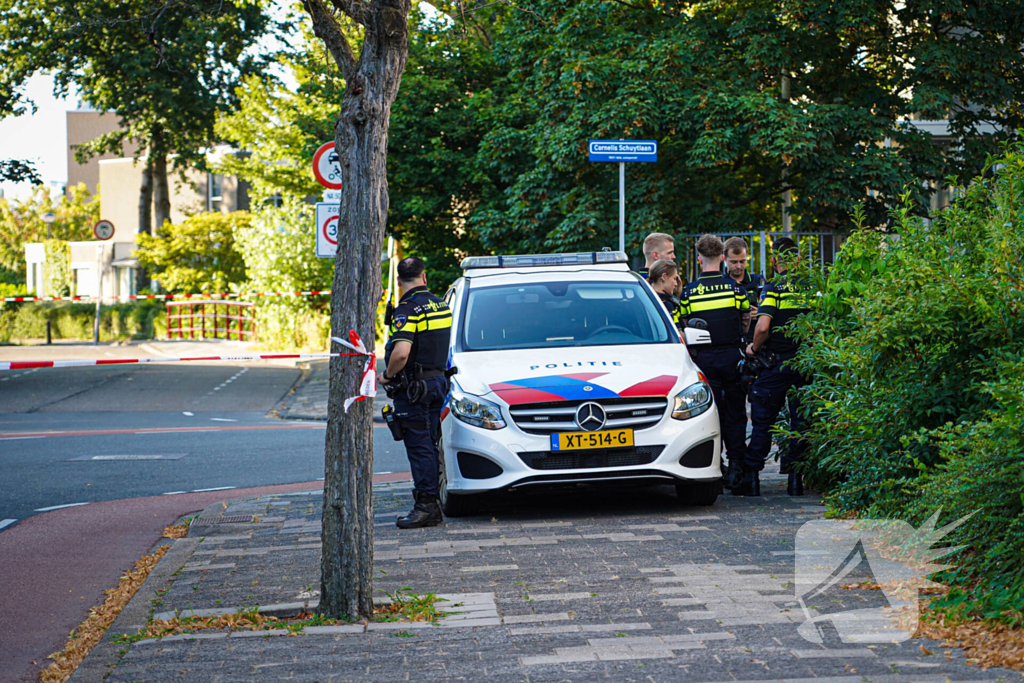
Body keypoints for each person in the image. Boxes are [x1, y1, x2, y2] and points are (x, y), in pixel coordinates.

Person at [378, 257, 453, 528]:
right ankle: (432, 502)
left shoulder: (407, 310)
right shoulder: (441, 305)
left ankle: (426, 508)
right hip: (436, 384)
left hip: (414, 390)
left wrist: (386, 376)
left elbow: (400, 353)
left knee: (420, 448)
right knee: (430, 444)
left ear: (399, 281)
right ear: (424, 276)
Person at [737, 237, 812, 497]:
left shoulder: (773, 288)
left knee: (763, 422)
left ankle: (752, 480)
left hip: (775, 365)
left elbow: (763, 325)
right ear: (799, 260)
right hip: (805, 365)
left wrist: (753, 349)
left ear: (774, 261)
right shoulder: (813, 287)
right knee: (801, 423)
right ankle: (795, 480)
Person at [678, 234, 750, 490]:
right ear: (722, 258)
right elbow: (745, 319)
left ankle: (715, 469)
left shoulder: (688, 293)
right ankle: (737, 471)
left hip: (704, 361)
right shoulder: (736, 289)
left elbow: (684, 325)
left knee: (709, 416)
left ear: (699, 260)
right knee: (736, 414)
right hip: (732, 357)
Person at [723, 236, 767, 340]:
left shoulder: (758, 282)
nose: (738, 266)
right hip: (728, 340)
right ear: (724, 259)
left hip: (754, 340)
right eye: (734, 262)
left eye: (742, 261)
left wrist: (761, 313)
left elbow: (772, 311)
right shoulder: (720, 284)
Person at [647, 259, 684, 333]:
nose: (676, 284)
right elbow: (680, 336)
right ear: (664, 277)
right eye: (674, 279)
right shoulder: (667, 305)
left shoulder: (646, 298)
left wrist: (678, 294)